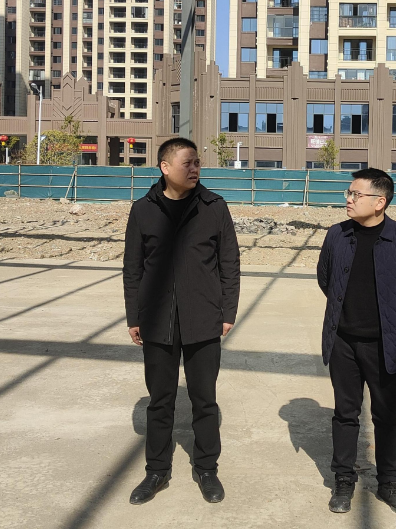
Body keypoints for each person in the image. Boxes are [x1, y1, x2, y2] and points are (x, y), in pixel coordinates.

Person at [122, 137, 240, 505]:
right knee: (161, 401)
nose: (195, 169)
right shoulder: (143, 210)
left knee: (205, 400)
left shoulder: (214, 207)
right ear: (165, 167)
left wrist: (227, 312)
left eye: (197, 163)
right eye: (187, 163)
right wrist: (134, 315)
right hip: (157, 321)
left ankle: (206, 468)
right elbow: (132, 268)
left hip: (203, 318)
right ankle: (157, 471)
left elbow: (229, 263)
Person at [317, 168, 396, 515]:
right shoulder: (337, 235)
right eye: (349, 193)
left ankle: (389, 483)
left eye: (356, 194)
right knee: (345, 413)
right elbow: (325, 278)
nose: (349, 199)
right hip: (343, 342)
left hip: (385, 345)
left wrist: (394, 320)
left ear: (380, 202)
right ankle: (343, 480)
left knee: (386, 414)